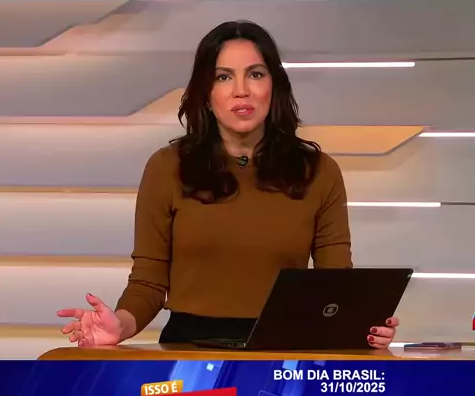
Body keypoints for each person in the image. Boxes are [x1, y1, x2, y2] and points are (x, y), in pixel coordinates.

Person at [58, 20, 399, 349]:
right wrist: (119, 326)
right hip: (188, 350)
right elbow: (148, 282)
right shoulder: (166, 168)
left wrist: (365, 327)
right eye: (223, 77)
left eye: (255, 74)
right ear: (206, 94)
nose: (241, 90)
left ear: (274, 87)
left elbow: (336, 285)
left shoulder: (319, 171)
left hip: (282, 349)